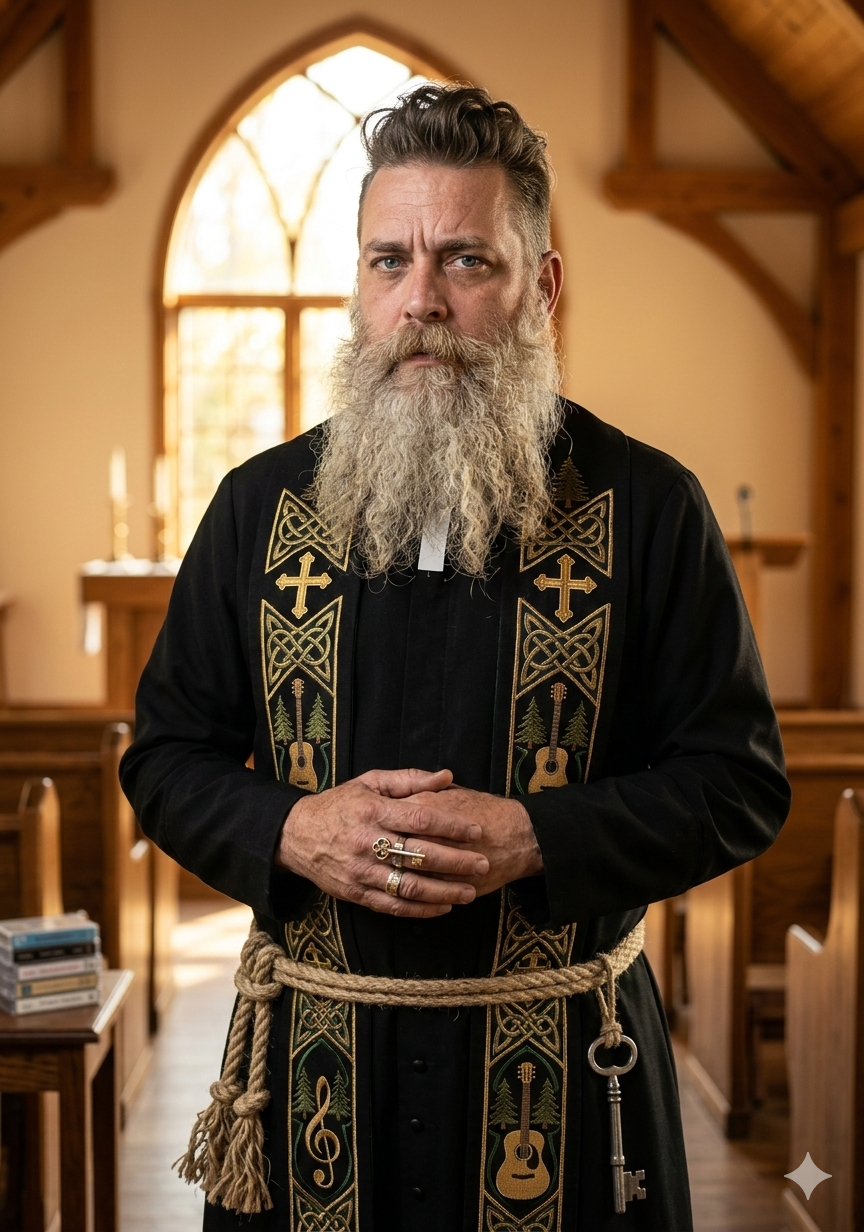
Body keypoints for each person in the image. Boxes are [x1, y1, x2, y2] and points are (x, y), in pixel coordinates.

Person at [120, 84, 790, 1232]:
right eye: (389, 260)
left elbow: (740, 784)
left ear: (543, 283)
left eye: (466, 260)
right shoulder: (257, 510)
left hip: (571, 1090)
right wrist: (291, 828)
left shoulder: (651, 508)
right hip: (313, 1091)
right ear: (360, 283)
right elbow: (164, 756)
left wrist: (542, 836)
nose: (420, 300)